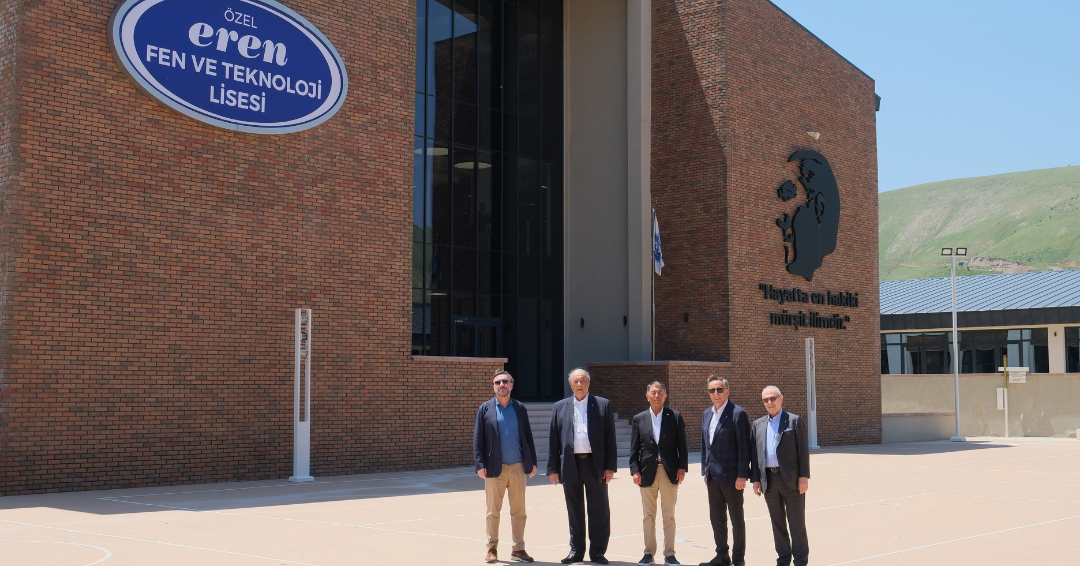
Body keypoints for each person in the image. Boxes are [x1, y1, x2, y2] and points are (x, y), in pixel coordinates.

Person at [548, 368, 617, 564]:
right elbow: (554, 439)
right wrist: (553, 468)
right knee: (574, 509)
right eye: (576, 381)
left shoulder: (602, 405)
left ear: (589, 383)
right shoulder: (560, 407)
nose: (580, 384)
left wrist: (610, 467)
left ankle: (598, 552)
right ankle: (576, 551)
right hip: (570, 465)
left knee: (599, 510)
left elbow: (610, 437)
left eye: (583, 381)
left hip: (595, 465)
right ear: (571, 385)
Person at [474, 370, 539, 563]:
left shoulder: (520, 408)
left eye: (504, 381)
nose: (501, 385)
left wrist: (532, 462)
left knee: (519, 512)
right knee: (492, 512)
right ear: (493, 387)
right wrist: (480, 464)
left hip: (518, 467)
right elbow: (478, 439)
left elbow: (528, 437)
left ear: (511, 385)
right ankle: (491, 549)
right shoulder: (485, 409)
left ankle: (518, 550)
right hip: (495, 468)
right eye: (497, 382)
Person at [629, 381, 688, 566]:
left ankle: (670, 554)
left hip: (670, 472)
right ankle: (649, 553)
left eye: (660, 393)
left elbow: (682, 445)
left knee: (669, 515)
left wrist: (682, 467)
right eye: (653, 393)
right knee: (648, 516)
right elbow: (634, 448)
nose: (656, 396)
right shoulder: (639, 419)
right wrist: (635, 470)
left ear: (665, 396)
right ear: (647, 396)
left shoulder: (675, 417)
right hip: (646, 472)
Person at [750, 386, 810, 566]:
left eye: (772, 398)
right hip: (768, 480)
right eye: (765, 400)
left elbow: (803, 451)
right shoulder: (758, 424)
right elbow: (755, 454)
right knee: (777, 523)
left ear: (781, 399)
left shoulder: (794, 421)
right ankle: (783, 559)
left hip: (791, 480)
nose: (769, 402)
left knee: (796, 523)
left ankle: (800, 561)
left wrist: (803, 477)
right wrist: (755, 479)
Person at [699, 376, 751, 566]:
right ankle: (722, 555)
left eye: (719, 389)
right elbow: (705, 445)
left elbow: (744, 446)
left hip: (732, 477)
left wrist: (742, 475)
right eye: (712, 390)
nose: (716, 393)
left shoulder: (737, 413)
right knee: (717, 518)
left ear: (727, 391)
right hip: (712, 476)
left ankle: (738, 558)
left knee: (736, 519)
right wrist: (705, 470)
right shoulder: (707, 414)